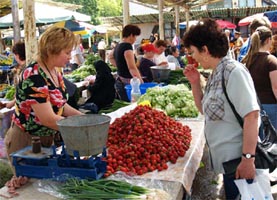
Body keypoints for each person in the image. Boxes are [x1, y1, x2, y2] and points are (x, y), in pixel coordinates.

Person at [183, 18, 260, 199]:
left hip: (239, 161)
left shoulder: (233, 72)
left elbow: (252, 116)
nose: (192, 56)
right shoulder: (217, 73)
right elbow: (204, 109)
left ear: (205, 50)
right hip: (227, 163)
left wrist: (248, 159)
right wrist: (195, 82)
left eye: (193, 51)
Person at [4, 26, 83, 168]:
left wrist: (83, 117)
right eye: (67, 52)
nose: (70, 57)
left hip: (46, 139)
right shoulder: (34, 75)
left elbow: (61, 105)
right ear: (52, 50)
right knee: (29, 186)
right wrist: (80, 127)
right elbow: (48, 119)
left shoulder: (55, 71)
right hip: (26, 142)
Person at [241, 26, 277, 136]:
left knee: (260, 143)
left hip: (251, 107)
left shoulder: (247, 60)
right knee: (272, 143)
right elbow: (276, 88)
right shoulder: (271, 61)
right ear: (268, 40)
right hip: (270, 107)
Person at [109, 24, 143, 102]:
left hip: (119, 79)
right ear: (131, 35)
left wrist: (120, 66)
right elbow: (132, 68)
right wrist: (140, 81)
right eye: (135, 36)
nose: (135, 39)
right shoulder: (127, 47)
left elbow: (110, 57)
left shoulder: (118, 45)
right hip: (128, 83)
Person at [0, 42, 26, 139]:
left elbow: (24, 93)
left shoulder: (26, 71)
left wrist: (13, 102)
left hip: (25, 122)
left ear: (17, 55)